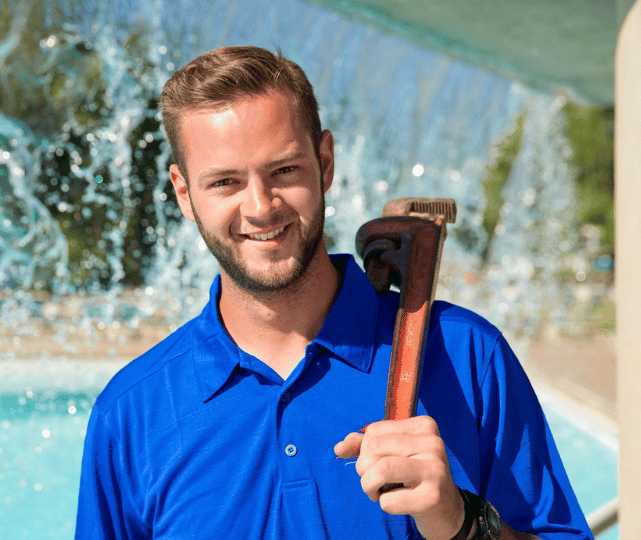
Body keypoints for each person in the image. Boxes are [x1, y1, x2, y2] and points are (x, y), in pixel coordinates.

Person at [75, 46, 592, 540]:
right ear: (185, 193)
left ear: (325, 162)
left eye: (283, 171)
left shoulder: (466, 356)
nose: (260, 207)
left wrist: (461, 523)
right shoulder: (131, 412)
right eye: (225, 183)